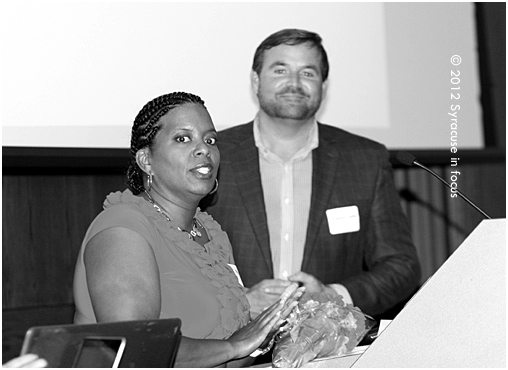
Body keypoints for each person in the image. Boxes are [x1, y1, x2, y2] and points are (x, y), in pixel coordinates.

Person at [200, 28, 421, 320]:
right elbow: (176, 259)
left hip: (328, 353)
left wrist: (333, 296)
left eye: (308, 73)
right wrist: (236, 301)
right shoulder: (213, 154)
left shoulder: (365, 159)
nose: (293, 83)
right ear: (256, 80)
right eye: (280, 70)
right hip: (233, 352)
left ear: (323, 85)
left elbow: (401, 266)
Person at [72, 91, 304, 367]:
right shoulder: (123, 229)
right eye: (183, 138)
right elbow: (136, 350)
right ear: (147, 161)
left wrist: (267, 337)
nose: (204, 149)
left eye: (210, 140)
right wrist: (235, 346)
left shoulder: (209, 234)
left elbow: (224, 352)